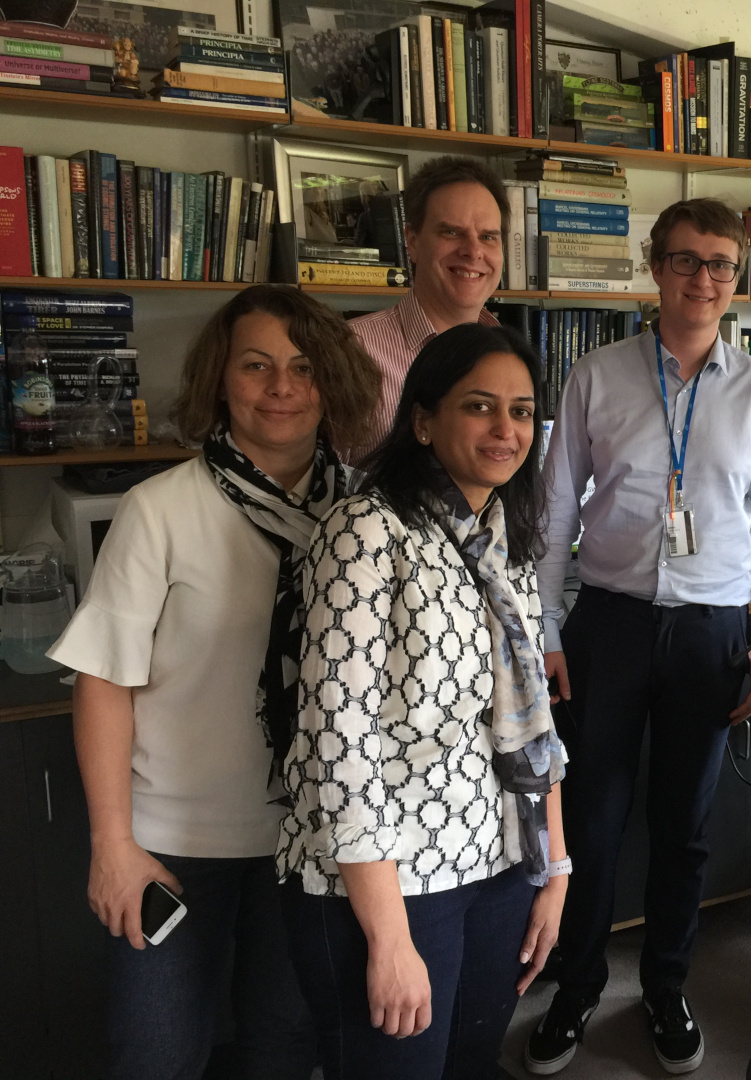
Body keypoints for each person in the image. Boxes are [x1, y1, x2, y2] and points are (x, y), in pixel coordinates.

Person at [48, 284, 381, 1080]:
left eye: (304, 368)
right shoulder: (157, 511)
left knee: (283, 1048)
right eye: (257, 365)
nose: (281, 388)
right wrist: (112, 845)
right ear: (219, 379)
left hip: (309, 841)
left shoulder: (363, 516)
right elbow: (103, 681)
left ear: (331, 383)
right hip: (172, 846)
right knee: (155, 1053)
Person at [525, 197, 751, 1075]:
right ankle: (574, 993)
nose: (704, 279)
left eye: (722, 264)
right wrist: (544, 626)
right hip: (607, 622)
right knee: (594, 825)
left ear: (737, 278)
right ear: (655, 265)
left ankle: (665, 986)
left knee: (684, 828)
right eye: (687, 260)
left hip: (712, 633)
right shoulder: (597, 375)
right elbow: (555, 508)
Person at [277, 323, 569, 1079]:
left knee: (470, 1062)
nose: (505, 429)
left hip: (499, 860)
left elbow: (538, 723)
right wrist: (389, 938)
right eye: (479, 406)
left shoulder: (511, 543)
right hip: (389, 883)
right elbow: (334, 751)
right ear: (422, 419)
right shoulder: (365, 532)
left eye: (521, 410)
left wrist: (554, 871)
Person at [346, 155, 509, 461]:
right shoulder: (351, 352)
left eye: (488, 237)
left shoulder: (508, 355)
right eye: (452, 232)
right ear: (413, 242)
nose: (473, 251)